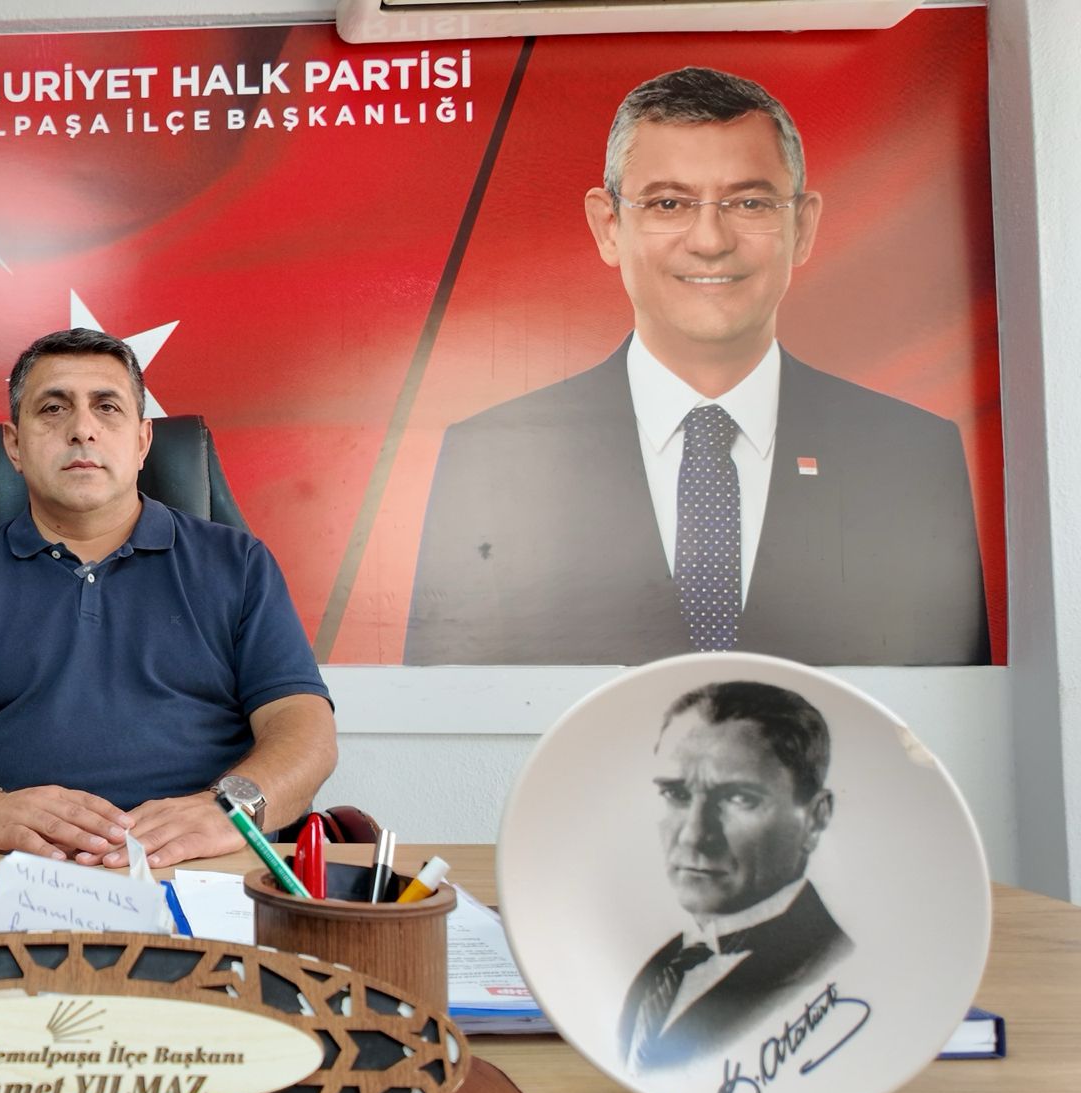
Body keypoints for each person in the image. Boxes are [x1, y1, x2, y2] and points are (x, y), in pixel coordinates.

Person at [406, 66, 987, 666]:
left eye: (750, 202)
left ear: (802, 226)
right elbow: (444, 710)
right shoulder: (493, 457)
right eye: (669, 203)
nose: (710, 240)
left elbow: (947, 707)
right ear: (609, 226)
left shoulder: (910, 456)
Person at [0, 328, 336, 870]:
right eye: (53, 409)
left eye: (107, 407)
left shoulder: (239, 564)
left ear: (142, 442)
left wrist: (230, 810)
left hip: (199, 865)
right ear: (14, 446)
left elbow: (304, 729)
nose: (82, 429)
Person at [618, 681, 853, 1071]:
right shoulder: (659, 965)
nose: (695, 835)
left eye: (739, 798)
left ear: (815, 818)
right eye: (676, 794)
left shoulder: (835, 969)